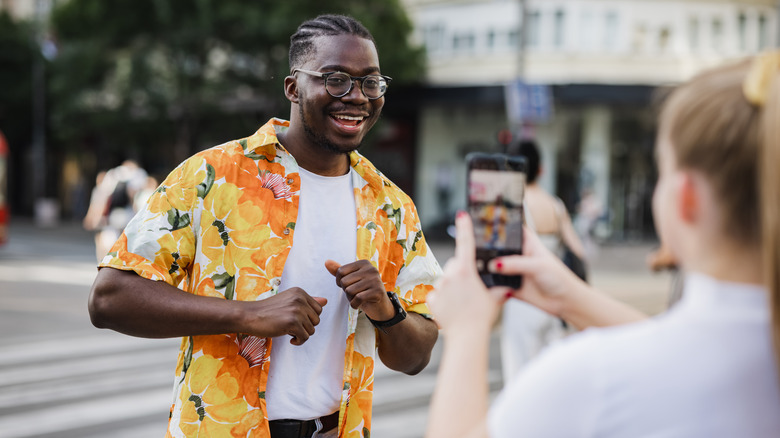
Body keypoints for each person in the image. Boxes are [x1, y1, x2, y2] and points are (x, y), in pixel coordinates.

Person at [88, 14, 441, 438]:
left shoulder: (392, 206)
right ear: (293, 88)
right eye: (335, 79)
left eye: (370, 82)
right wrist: (248, 314)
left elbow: (416, 355)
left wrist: (386, 309)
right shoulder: (212, 175)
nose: (357, 96)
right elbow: (109, 298)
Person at [425, 52, 780, 438]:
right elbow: (680, 346)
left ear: (687, 199)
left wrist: (467, 330)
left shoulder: (591, 379)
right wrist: (567, 297)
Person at [500, 140, 586, 384]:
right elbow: (578, 251)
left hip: (522, 299)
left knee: (518, 377)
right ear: (541, 169)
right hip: (553, 301)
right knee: (549, 378)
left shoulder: (515, 204)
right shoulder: (556, 205)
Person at [82, 159, 148, 261]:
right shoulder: (138, 175)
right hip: (128, 214)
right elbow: (134, 198)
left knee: (108, 241)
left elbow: (103, 198)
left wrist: (95, 216)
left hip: (114, 215)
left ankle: (105, 262)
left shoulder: (114, 174)